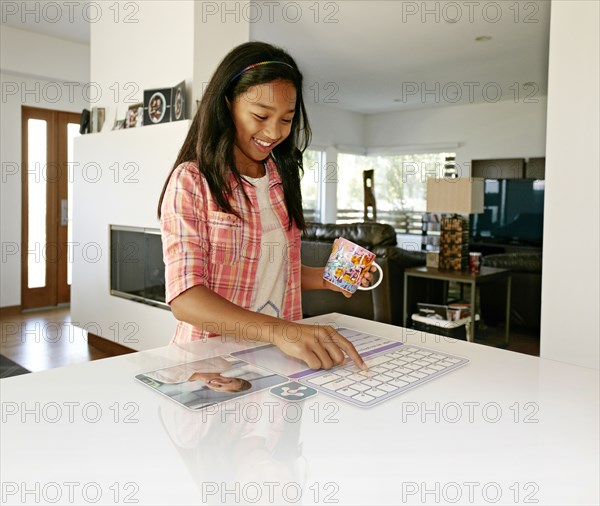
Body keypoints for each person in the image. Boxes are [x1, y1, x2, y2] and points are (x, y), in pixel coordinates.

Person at [157, 41, 372, 371]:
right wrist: (279, 331)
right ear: (227, 103)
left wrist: (327, 278)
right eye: (261, 115)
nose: (274, 132)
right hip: (212, 364)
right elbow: (186, 298)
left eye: (286, 119)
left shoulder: (281, 179)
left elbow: (270, 271)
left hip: (280, 360)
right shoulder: (192, 181)